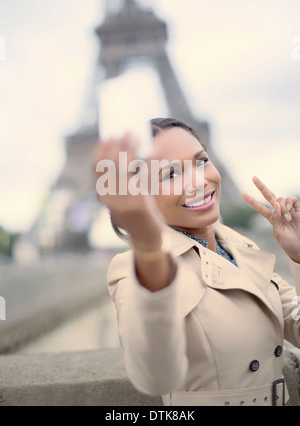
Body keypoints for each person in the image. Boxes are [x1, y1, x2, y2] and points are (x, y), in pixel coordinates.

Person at [95, 117, 300, 406]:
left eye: (201, 161)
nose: (198, 182)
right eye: (170, 175)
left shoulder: (242, 249)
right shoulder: (137, 269)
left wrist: (298, 256)